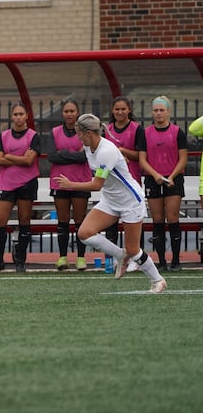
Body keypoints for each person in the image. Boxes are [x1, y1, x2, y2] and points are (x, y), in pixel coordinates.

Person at [56, 114, 166, 293]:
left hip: (130, 201)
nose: (78, 138)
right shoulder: (88, 147)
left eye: (80, 134)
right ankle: (120, 255)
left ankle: (158, 280)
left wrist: (71, 185)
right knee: (84, 233)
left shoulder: (106, 151)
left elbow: (97, 185)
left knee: (133, 248)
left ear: (89, 133)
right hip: (110, 200)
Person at [0, 103, 41, 272]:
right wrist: (17, 157)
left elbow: (29, 161)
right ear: (11, 117)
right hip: (6, 183)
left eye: (21, 114)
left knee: (24, 220)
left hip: (27, 182)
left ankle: (20, 261)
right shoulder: (3, 136)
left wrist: (8, 156)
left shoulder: (33, 136)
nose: (18, 117)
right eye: (15, 114)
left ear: (26, 117)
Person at [137, 95, 188, 271]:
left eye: (162, 110)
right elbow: (142, 159)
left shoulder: (177, 132)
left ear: (168, 112)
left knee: (173, 218)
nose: (158, 113)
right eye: (156, 110)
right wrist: (155, 174)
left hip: (173, 179)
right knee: (157, 220)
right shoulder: (145, 133)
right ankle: (161, 261)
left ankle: (175, 261)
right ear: (152, 112)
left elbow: (183, 158)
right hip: (153, 179)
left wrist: (172, 176)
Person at [45, 99, 91, 271]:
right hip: (60, 182)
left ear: (78, 112)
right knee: (63, 221)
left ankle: (81, 258)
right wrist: (73, 154)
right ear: (62, 114)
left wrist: (63, 153)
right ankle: (62, 257)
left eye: (72, 111)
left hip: (81, 182)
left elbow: (86, 156)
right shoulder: (55, 132)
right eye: (66, 111)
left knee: (80, 221)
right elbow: (51, 156)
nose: (69, 114)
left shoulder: (85, 132)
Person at [104, 96, 144, 272]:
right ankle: (116, 257)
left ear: (129, 110)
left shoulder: (137, 129)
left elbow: (141, 156)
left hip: (131, 182)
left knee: (132, 223)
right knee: (110, 222)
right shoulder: (107, 130)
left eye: (123, 109)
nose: (120, 112)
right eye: (117, 109)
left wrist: (121, 152)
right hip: (111, 184)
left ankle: (136, 257)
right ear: (112, 111)